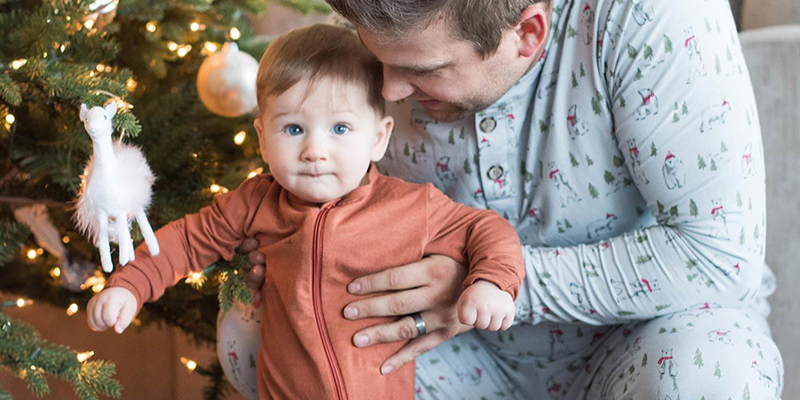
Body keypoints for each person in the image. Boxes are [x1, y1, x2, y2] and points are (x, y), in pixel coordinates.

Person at [236, 0, 785, 398]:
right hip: (456, 356)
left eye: (423, 71)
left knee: (711, 375)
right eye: (379, 59)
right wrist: (289, 245)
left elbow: (718, 257)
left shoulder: (653, 16)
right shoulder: (389, 17)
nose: (391, 90)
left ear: (528, 33)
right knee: (253, 330)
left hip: (644, 337)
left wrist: (484, 287)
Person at [85, 24, 526, 399]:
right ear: (262, 137)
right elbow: (185, 240)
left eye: (340, 128)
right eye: (293, 128)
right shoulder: (255, 202)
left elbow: (485, 229)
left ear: (378, 137)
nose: (315, 150)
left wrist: (493, 283)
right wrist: (130, 285)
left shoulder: (409, 206)